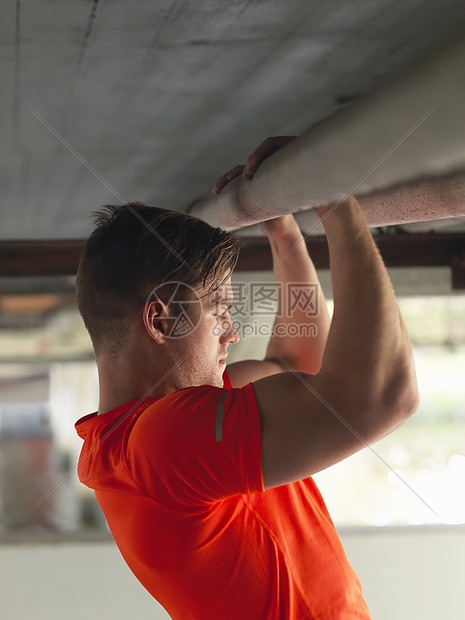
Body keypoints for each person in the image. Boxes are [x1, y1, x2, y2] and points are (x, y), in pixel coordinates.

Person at [74, 136, 419, 619]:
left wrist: (286, 236)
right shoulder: (162, 441)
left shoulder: (149, 432)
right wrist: (335, 199)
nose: (232, 334)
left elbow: (297, 366)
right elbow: (381, 397)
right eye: (219, 312)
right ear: (159, 321)